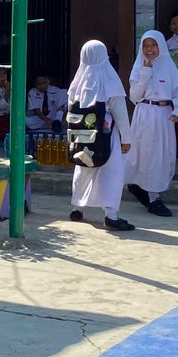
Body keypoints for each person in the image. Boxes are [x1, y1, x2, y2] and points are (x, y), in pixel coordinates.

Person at [66, 41, 134, 232]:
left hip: (82, 136)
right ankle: (111, 216)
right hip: (106, 136)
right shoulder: (110, 79)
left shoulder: (78, 82)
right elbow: (120, 112)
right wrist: (126, 139)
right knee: (112, 173)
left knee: (83, 169)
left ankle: (77, 208)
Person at [124, 29, 178, 218]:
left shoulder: (168, 65)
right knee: (149, 155)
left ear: (161, 46)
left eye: (153, 45)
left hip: (165, 116)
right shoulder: (138, 67)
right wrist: (146, 71)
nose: (149, 50)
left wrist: (177, 112)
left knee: (163, 155)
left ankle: (146, 190)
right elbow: (134, 97)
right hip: (145, 115)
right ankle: (153, 198)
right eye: (146, 46)